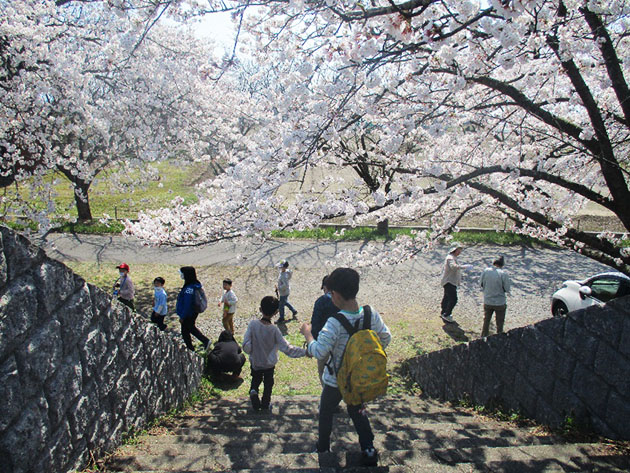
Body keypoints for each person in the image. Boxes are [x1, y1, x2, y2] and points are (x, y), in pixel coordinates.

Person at [300, 267, 391, 467]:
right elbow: (386, 337)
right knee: (358, 412)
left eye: (331, 292)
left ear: (337, 295)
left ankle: (323, 447)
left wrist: (308, 335)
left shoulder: (334, 322)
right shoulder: (370, 314)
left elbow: (320, 352)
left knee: (325, 412)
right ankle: (368, 448)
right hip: (358, 379)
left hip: (335, 380)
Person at [243, 295, 306, 411]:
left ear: (260, 309)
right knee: (268, 384)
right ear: (276, 312)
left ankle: (253, 390)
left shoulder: (253, 325)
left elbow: (245, 345)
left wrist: (252, 349)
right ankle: (265, 404)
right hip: (269, 363)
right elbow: (288, 349)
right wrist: (306, 352)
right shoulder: (274, 330)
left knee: (255, 379)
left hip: (256, 361)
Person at [310, 275, 338, 385]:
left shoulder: (321, 301)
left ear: (325, 287)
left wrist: (313, 342)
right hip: (340, 342)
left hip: (324, 341)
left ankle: (327, 395)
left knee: (323, 371)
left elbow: (315, 324)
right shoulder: (343, 300)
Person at [176, 266, 210, 351]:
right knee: (187, 329)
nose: (181, 276)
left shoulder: (189, 289)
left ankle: (201, 343)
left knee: (188, 329)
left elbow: (187, 304)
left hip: (189, 314)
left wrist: (182, 316)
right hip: (192, 312)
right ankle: (192, 347)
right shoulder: (192, 285)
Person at [480, 255, 512, 337]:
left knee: (486, 320)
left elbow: (481, 283)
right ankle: (499, 337)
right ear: (502, 264)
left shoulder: (486, 271)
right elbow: (507, 289)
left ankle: (483, 336)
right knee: (500, 322)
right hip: (500, 302)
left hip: (487, 300)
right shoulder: (503, 274)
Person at [440, 245, 470, 324]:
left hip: (449, 281)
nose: (459, 252)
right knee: (453, 299)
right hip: (449, 281)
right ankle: (447, 314)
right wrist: (464, 267)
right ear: (454, 250)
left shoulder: (452, 257)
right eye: (458, 250)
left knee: (446, 297)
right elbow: (453, 267)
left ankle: (443, 312)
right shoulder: (450, 258)